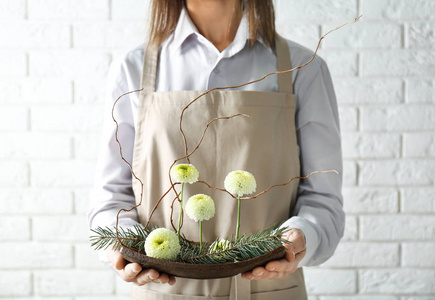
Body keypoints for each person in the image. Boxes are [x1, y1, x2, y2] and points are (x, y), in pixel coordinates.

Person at [88, 0, 344, 299]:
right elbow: (112, 196)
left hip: (270, 289)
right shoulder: (133, 68)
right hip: (162, 290)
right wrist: (122, 248)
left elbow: (323, 197)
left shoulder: (302, 67)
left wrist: (303, 235)